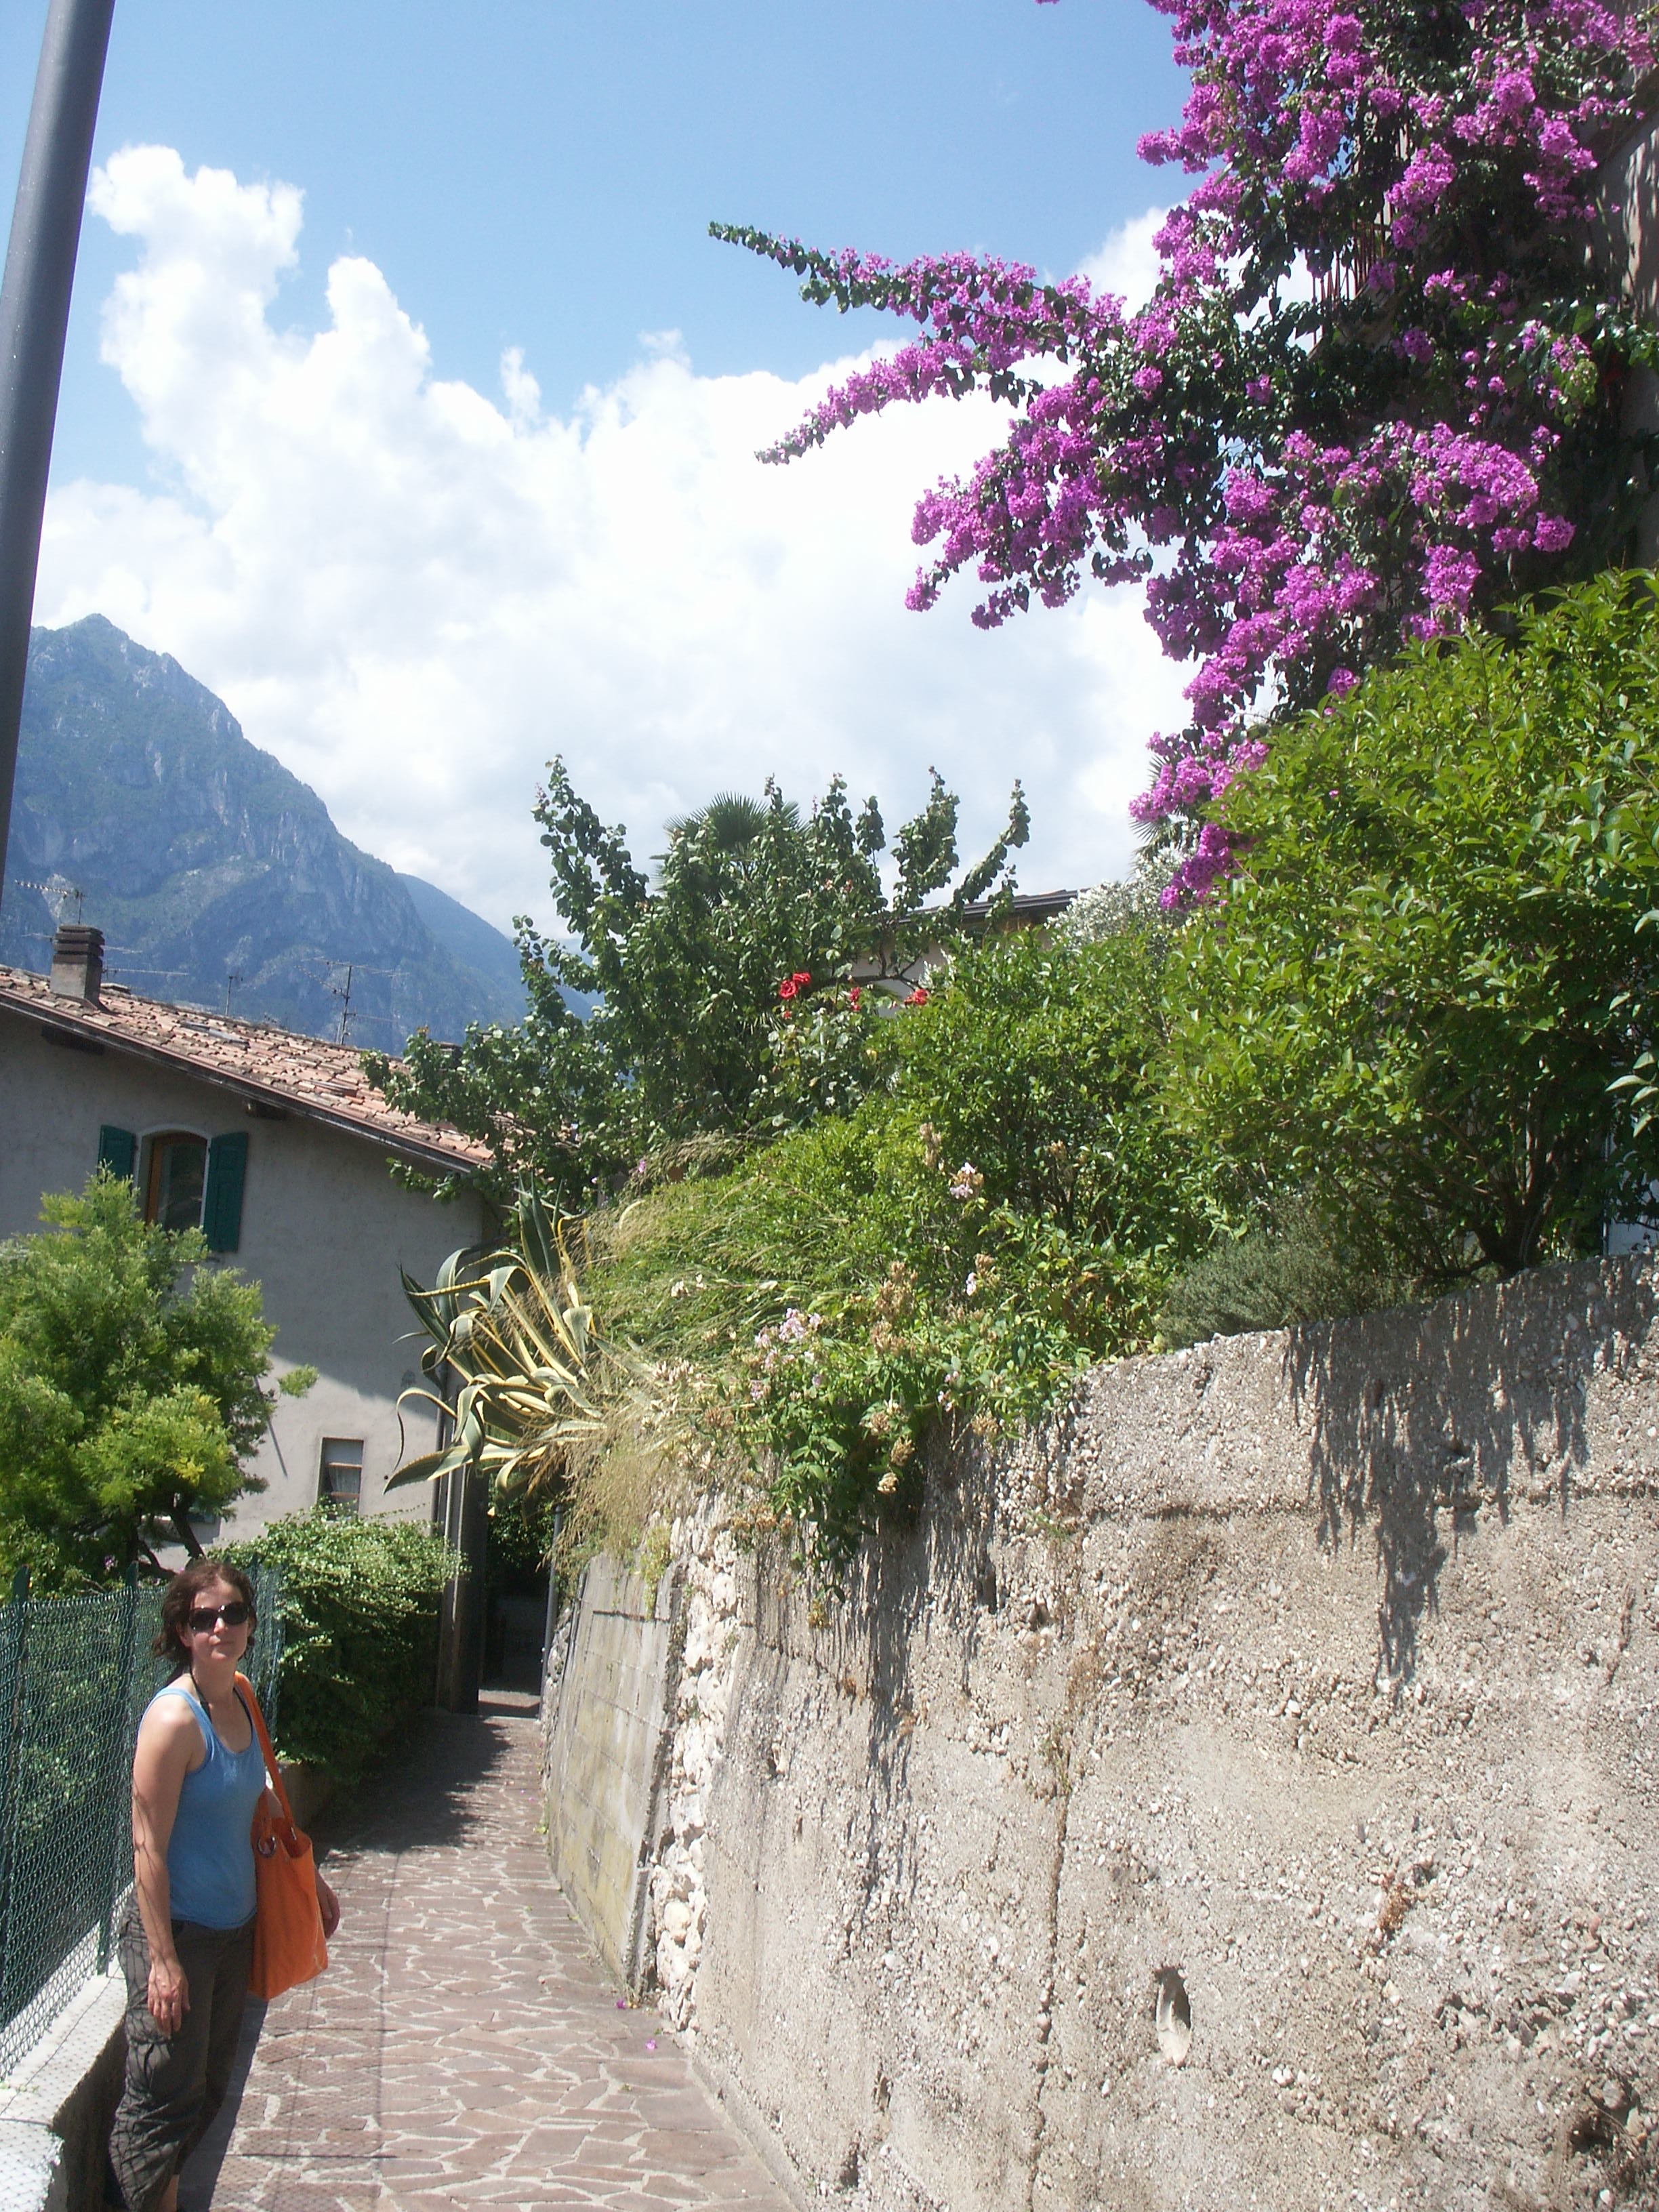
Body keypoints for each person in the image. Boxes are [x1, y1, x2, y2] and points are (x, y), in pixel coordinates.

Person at [107, 1560, 340, 2212]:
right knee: (160, 2100)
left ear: (249, 1624)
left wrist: (310, 1877)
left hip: (233, 1933)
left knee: (206, 2093)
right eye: (203, 1618)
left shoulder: (240, 1695)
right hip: (178, 1935)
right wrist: (163, 1962)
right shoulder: (173, 1721)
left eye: (232, 1613)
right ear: (183, 1631)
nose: (220, 1627)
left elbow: (258, 1798)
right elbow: (147, 1847)